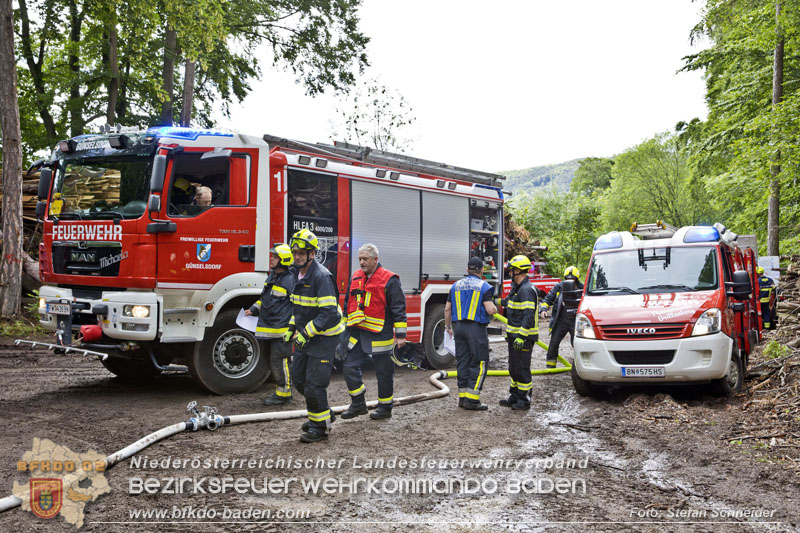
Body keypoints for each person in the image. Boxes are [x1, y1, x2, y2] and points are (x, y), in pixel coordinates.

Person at [285, 228, 345, 443]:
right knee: (299, 378)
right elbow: (300, 308)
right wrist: (292, 328)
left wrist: (306, 333)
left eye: (302, 253)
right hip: (306, 334)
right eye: (295, 252)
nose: (297, 256)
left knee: (314, 383)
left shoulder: (321, 277)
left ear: (312, 254)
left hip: (325, 336)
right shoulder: (295, 273)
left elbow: (328, 313)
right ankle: (323, 413)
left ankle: (319, 428)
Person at [341, 244, 408, 421]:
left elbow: (398, 308)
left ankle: (385, 407)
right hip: (358, 332)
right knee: (348, 365)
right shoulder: (356, 277)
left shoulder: (389, 279)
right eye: (360, 259)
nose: (362, 263)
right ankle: (358, 404)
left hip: (380, 334)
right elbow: (348, 303)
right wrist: (344, 328)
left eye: (365, 259)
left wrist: (400, 335)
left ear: (375, 259)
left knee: (384, 372)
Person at [245, 243, 296, 406]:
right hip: (268, 328)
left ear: (284, 260)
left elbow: (298, 305)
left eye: (275, 257)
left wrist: (293, 328)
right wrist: (253, 309)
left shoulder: (290, 280)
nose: (271, 259)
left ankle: (284, 394)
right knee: (270, 360)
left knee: (280, 360)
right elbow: (266, 298)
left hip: (281, 330)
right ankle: (280, 391)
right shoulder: (272, 276)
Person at [445, 257, 497, 411]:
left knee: (463, 361)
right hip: (475, 328)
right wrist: (495, 308)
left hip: (458, 327)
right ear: (481, 270)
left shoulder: (455, 285)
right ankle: (472, 399)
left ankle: (462, 398)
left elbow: (447, 309)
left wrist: (447, 326)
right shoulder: (484, 286)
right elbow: (489, 309)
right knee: (480, 362)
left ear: (467, 270)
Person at [497, 255, 538, 410]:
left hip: (523, 338)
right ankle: (514, 396)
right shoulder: (517, 288)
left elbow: (528, 316)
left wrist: (521, 336)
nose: (510, 273)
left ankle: (524, 399)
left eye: (512, 270)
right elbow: (506, 303)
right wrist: (491, 301)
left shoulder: (526, 290)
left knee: (522, 368)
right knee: (513, 368)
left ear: (519, 271)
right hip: (514, 336)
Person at [540, 266, 583, 369]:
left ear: (577, 279)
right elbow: (548, 298)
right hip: (561, 320)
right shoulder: (559, 287)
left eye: (572, 279)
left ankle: (579, 367)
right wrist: (543, 309)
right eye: (568, 279)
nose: (570, 282)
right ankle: (550, 366)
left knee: (577, 344)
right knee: (554, 343)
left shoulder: (582, 288)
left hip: (575, 321)